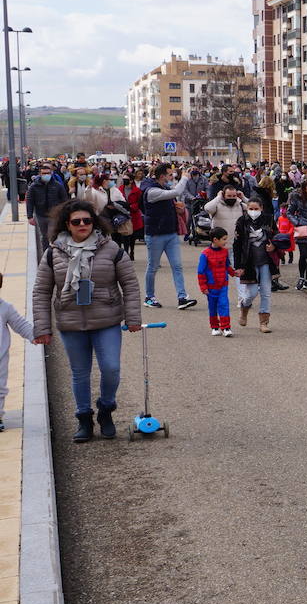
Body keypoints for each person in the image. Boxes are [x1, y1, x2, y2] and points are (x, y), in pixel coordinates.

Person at [32, 199, 142, 441]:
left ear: (95, 222)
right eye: (76, 221)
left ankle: (106, 408)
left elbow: (130, 286)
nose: (83, 225)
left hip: (107, 320)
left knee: (111, 368)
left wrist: (132, 317)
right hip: (71, 322)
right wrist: (42, 327)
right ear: (66, 225)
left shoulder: (112, 249)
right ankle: (83, 418)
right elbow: (41, 291)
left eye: (87, 220)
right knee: (79, 373)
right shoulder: (54, 253)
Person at [139, 163, 197, 311]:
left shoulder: (164, 187)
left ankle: (182, 297)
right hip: (155, 235)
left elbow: (172, 197)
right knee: (152, 267)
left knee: (177, 266)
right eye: (170, 174)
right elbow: (176, 192)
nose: (172, 177)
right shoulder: (151, 191)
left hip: (170, 233)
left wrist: (177, 208)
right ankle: (149, 297)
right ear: (162, 176)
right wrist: (184, 178)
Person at [233, 196, 275, 333]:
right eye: (250, 209)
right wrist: (238, 265)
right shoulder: (241, 221)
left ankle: (264, 322)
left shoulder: (268, 220)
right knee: (250, 293)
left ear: (261, 208)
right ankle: (244, 309)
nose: (253, 211)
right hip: (248, 263)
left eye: (256, 209)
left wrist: (273, 246)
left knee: (266, 292)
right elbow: (237, 245)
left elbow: (278, 236)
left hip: (266, 262)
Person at [0, 273, 34, 431]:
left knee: (0, 387)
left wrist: (36, 335)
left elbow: (20, 324)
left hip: (0, 357)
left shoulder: (5, 308)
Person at [25, 161, 69, 258]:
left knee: (54, 234)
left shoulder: (57, 185)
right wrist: (30, 216)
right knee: (44, 236)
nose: (46, 175)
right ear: (40, 174)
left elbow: (64, 200)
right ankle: (46, 254)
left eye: (48, 173)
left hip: (54, 215)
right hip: (41, 215)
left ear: (51, 173)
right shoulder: (34, 186)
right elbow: (30, 201)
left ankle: (56, 253)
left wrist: (64, 213)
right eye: (44, 173)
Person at [197, 227, 234, 337]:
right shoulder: (205, 254)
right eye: (223, 239)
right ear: (215, 240)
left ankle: (226, 327)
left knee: (224, 305)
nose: (225, 241)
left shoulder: (225, 252)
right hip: (211, 286)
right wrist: (203, 287)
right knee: (212, 307)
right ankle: (215, 326)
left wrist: (234, 273)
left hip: (223, 284)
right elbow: (201, 271)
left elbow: (227, 266)